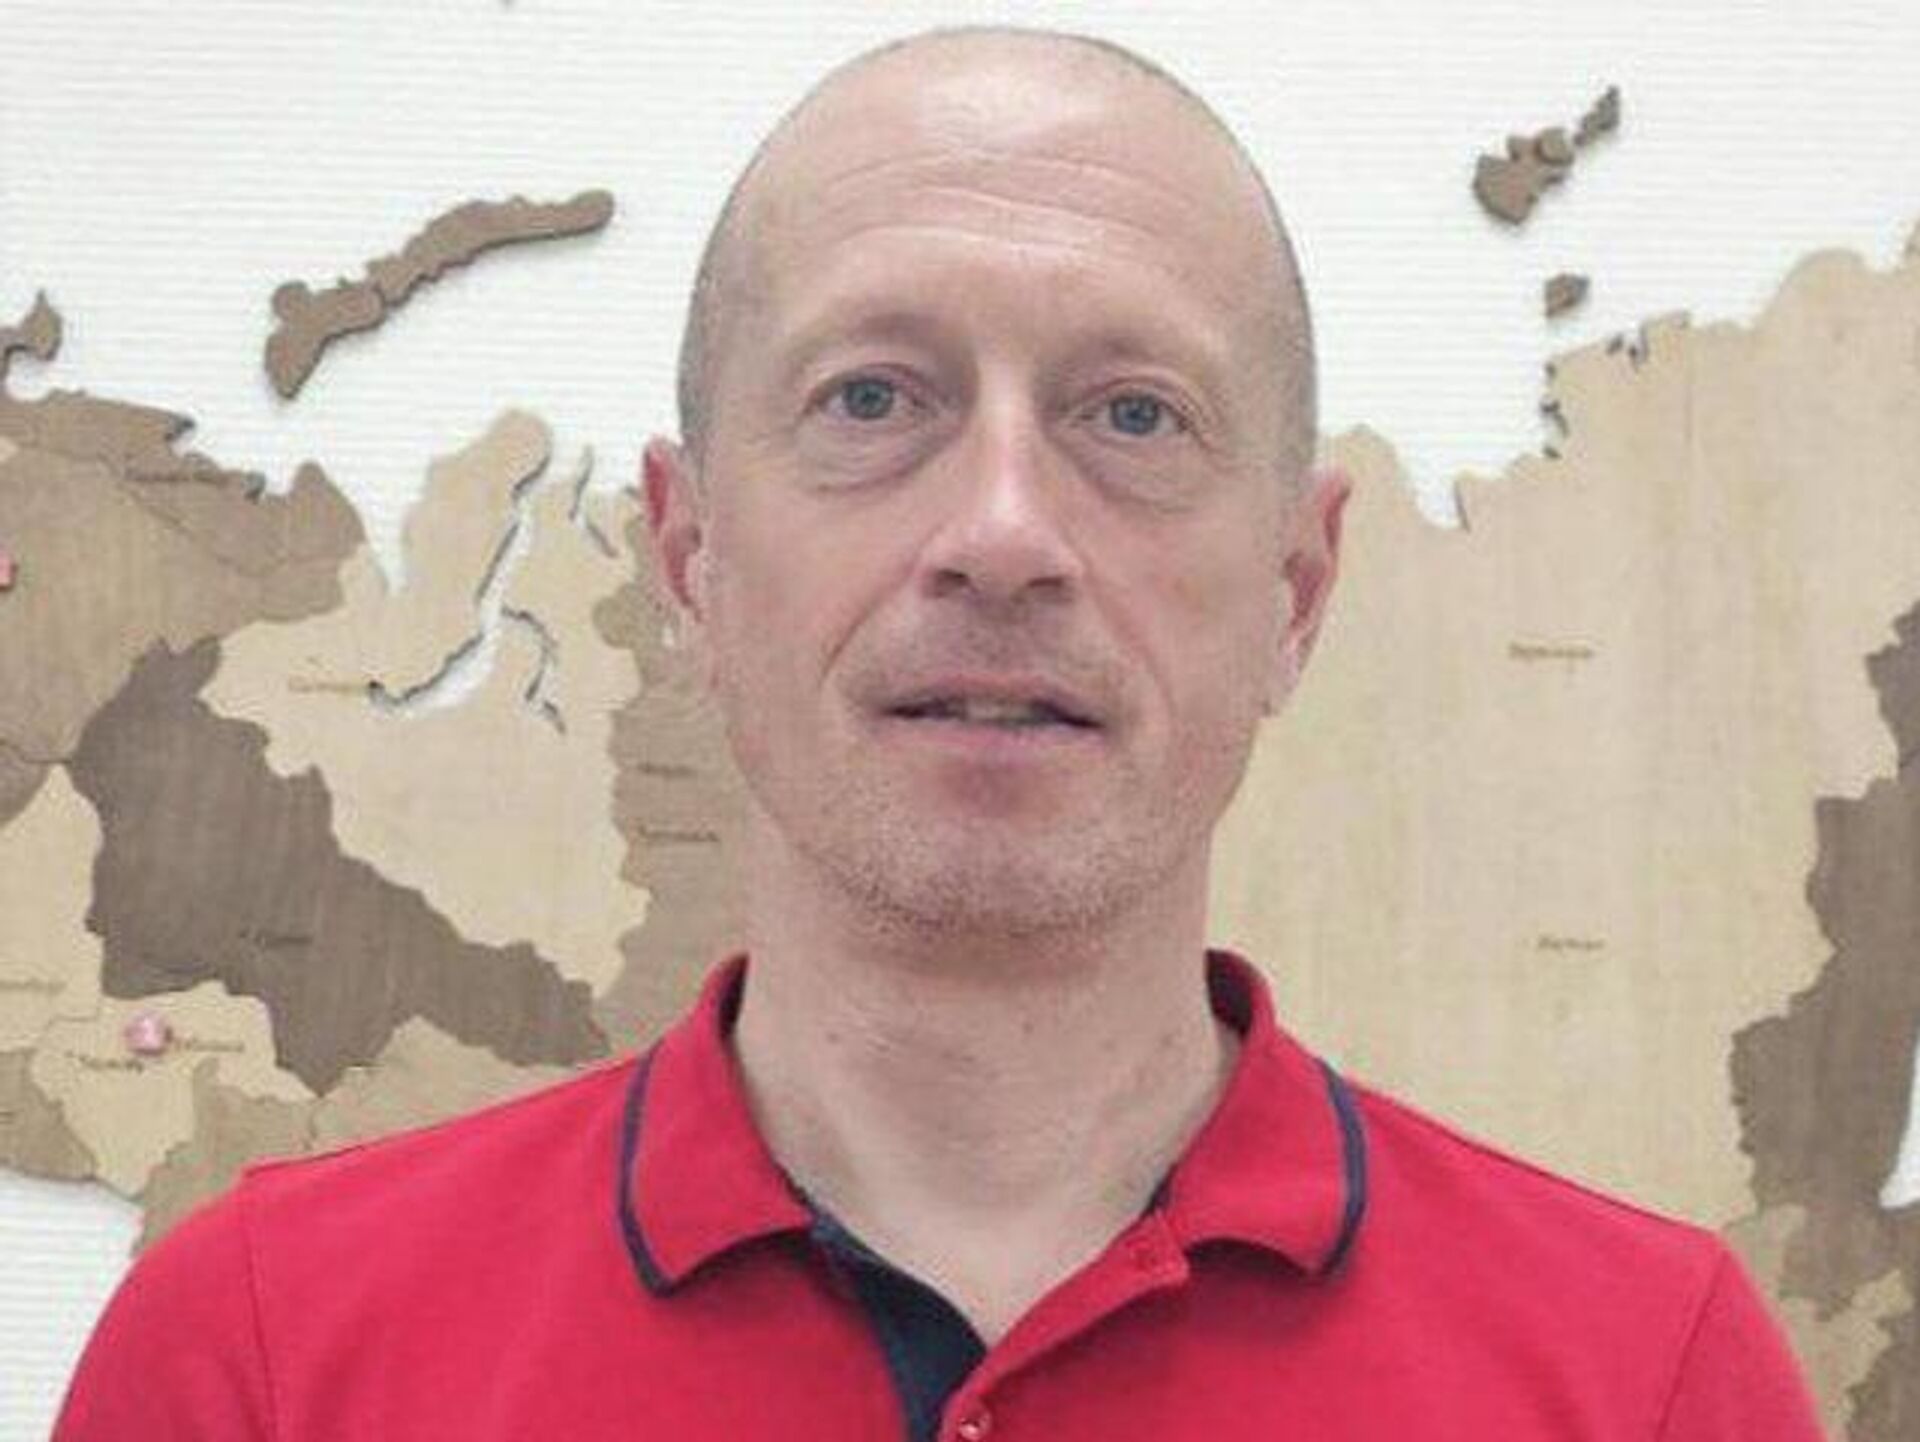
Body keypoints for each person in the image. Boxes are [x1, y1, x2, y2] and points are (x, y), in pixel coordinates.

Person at [54, 23, 1825, 1442]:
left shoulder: (1650, 1379)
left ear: (1295, 589)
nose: (1001, 530)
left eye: (1134, 413)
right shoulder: (258, 1357)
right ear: (689, 555)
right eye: (872, 397)